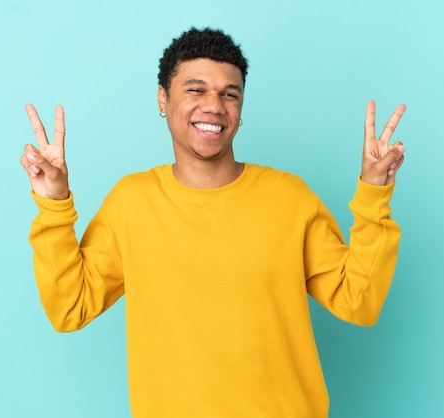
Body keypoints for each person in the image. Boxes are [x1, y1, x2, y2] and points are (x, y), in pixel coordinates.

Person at [20, 27, 406, 418]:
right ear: (162, 98)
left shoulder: (289, 198)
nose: (214, 106)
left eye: (229, 94)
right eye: (195, 89)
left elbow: (359, 302)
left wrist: (374, 192)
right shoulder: (132, 202)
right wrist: (53, 203)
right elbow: (70, 307)